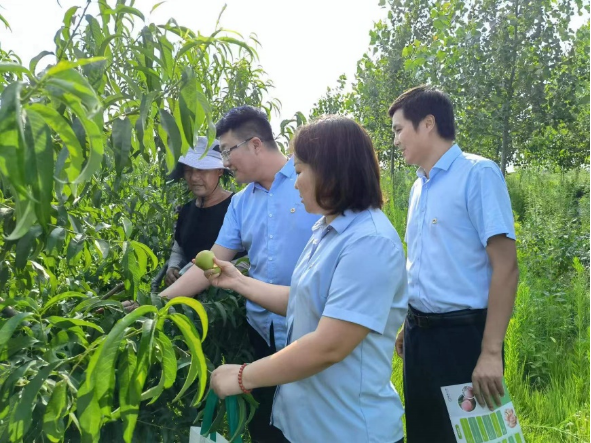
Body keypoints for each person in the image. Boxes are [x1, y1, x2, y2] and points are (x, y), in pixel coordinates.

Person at [205, 115, 408, 443]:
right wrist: (237, 281)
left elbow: (330, 345)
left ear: (332, 170)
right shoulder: (326, 230)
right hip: (306, 425)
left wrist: (244, 376)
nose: (294, 183)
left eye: (299, 172)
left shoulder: (370, 242)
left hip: (347, 429)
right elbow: (303, 300)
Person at [160, 106, 320, 443]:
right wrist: (158, 303)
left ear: (256, 144)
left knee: (313, 426)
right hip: (262, 334)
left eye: (228, 151)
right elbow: (211, 265)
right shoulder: (241, 203)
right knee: (266, 427)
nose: (226, 162)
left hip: (313, 331)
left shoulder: (314, 183)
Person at [389, 85, 519, 442]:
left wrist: (490, 352)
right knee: (424, 432)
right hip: (419, 336)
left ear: (428, 123)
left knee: (476, 436)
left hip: (463, 339)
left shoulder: (478, 174)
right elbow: (422, 263)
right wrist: (407, 323)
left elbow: (506, 266)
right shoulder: (419, 186)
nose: (396, 141)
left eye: (400, 130)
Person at [164, 136, 233, 287]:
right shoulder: (186, 210)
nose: (194, 177)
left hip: (225, 297)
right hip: (186, 295)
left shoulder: (235, 207)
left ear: (219, 171)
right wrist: (173, 267)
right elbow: (179, 247)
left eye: (202, 170)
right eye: (188, 170)